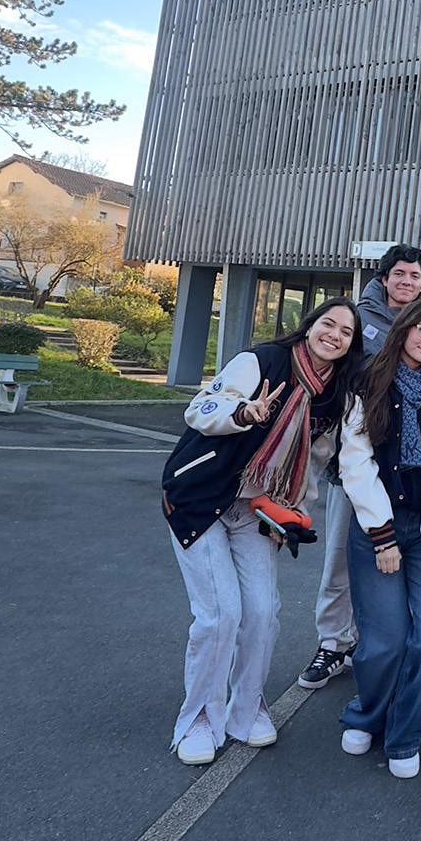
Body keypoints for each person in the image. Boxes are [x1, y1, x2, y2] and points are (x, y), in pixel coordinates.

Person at [163, 298, 363, 765]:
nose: (334, 335)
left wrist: (291, 514)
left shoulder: (335, 393)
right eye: (328, 323)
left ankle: (247, 707)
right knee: (220, 614)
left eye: (346, 332)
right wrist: (243, 414)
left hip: (256, 509)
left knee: (261, 612)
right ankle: (198, 718)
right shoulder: (262, 361)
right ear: (309, 326)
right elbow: (201, 408)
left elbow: (314, 460)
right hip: (200, 498)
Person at [337, 297, 421, 778]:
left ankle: (403, 731)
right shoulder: (366, 381)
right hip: (378, 524)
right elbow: (355, 460)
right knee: (384, 641)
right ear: (404, 328)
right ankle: (367, 713)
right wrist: (382, 533)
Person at [298, 244, 421, 691]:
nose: (407, 282)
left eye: (415, 276)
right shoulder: (358, 319)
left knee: (402, 563)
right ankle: (333, 643)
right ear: (384, 277)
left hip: (406, 470)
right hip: (353, 461)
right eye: (400, 274)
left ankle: (388, 644)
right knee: (340, 559)